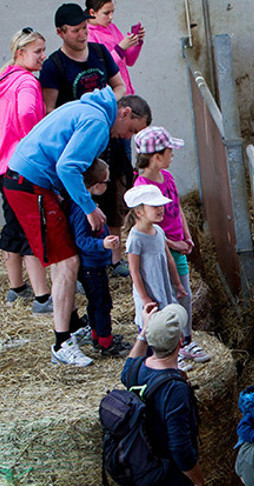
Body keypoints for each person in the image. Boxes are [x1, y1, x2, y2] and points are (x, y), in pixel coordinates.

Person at [2, 85, 150, 367]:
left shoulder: (88, 109)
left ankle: (72, 325)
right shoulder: (96, 121)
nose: (128, 137)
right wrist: (89, 207)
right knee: (68, 261)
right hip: (28, 184)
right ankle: (61, 343)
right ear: (126, 112)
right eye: (132, 129)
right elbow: (68, 167)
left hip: (30, 181)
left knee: (66, 255)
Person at [42, 3, 131, 276]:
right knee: (81, 202)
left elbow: (120, 85)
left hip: (109, 135)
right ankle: (85, 261)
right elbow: (50, 112)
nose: (83, 35)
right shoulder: (53, 65)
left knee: (116, 193)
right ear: (60, 32)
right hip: (78, 145)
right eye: (76, 31)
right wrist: (84, 116)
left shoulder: (100, 52)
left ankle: (115, 259)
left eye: (84, 28)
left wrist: (104, 105)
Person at [134, 126, 210, 365]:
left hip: (177, 248)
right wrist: (174, 243)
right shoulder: (142, 188)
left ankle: (186, 340)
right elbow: (150, 230)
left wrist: (187, 237)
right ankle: (169, 348)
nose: (173, 155)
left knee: (183, 294)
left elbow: (178, 210)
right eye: (169, 151)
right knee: (165, 298)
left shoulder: (168, 178)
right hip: (160, 252)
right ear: (156, 157)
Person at [122, 302, 204, 486]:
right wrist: (198, 480)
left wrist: (143, 333)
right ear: (180, 342)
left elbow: (130, 363)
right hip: (170, 481)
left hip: (144, 468)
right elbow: (180, 448)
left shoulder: (135, 371)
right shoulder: (175, 389)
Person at [0, 27, 52, 313]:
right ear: (20, 53)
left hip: (2, 164)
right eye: (37, 51)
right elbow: (26, 115)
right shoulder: (27, 82)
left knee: (12, 224)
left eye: (43, 50)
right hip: (21, 164)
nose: (43, 56)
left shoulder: (4, 77)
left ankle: (16, 289)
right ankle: (43, 298)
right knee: (31, 227)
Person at [67, 158, 130, 356]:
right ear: (96, 185)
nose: (108, 185)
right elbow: (82, 240)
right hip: (90, 266)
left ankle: (98, 336)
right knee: (102, 303)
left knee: (96, 302)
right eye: (106, 182)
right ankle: (105, 342)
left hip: (95, 264)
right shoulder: (81, 210)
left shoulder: (87, 203)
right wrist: (102, 244)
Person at [124, 184, 188, 365]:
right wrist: (144, 298)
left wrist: (177, 284)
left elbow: (168, 259)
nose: (161, 209)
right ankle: (152, 363)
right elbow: (134, 271)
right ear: (139, 212)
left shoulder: (159, 231)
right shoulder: (135, 238)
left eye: (161, 205)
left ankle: (172, 357)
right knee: (152, 328)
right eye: (155, 206)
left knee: (168, 323)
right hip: (150, 292)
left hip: (163, 288)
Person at [86, 0, 144, 96]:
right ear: (92, 12)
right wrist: (120, 48)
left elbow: (130, 61)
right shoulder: (89, 35)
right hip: (109, 96)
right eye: (106, 13)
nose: (111, 17)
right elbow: (100, 69)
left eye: (112, 12)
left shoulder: (112, 28)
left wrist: (137, 42)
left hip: (126, 92)